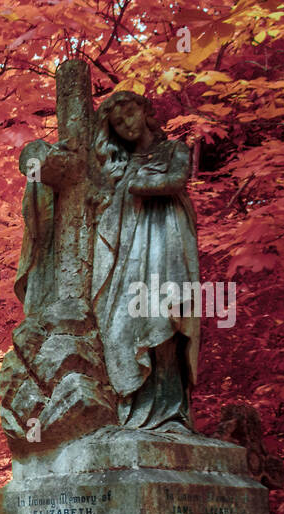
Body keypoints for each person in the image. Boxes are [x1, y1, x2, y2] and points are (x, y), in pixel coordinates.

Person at [91, 91, 200, 432]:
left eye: (129, 114)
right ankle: (132, 410)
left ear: (145, 111)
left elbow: (177, 181)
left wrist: (136, 185)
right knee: (124, 323)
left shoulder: (173, 151)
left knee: (165, 315)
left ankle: (170, 413)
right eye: (117, 123)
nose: (126, 125)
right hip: (128, 254)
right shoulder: (116, 167)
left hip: (167, 242)